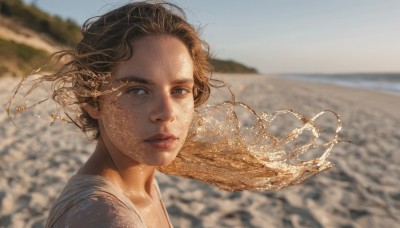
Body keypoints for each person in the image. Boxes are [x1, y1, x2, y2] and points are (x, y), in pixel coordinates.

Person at [7, 1, 341, 227]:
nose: (166, 113)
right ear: (93, 101)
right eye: (137, 89)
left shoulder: (139, 179)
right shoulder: (105, 216)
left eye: (179, 90)